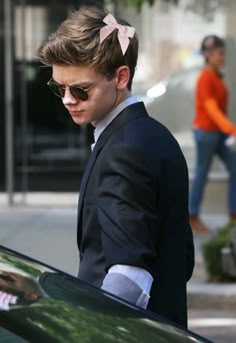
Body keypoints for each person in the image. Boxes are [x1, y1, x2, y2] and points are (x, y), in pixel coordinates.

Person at [38, 7, 194, 327]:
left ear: (121, 77)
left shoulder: (126, 149)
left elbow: (129, 276)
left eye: (80, 89)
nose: (67, 99)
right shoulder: (151, 134)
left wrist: (86, 330)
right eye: (59, 88)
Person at [189, 35, 236, 235]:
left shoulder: (217, 75)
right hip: (206, 133)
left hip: (219, 133)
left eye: (223, 53)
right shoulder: (206, 77)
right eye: (218, 53)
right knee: (202, 174)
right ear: (208, 55)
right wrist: (232, 129)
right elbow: (211, 109)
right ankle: (192, 216)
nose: (222, 56)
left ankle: (233, 215)